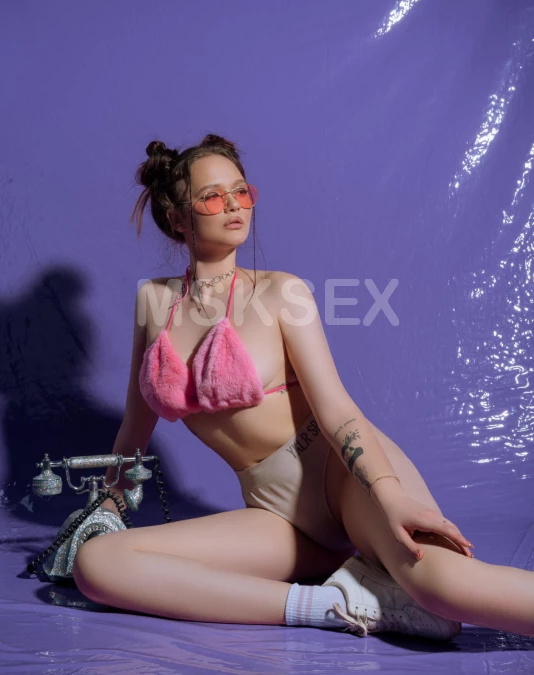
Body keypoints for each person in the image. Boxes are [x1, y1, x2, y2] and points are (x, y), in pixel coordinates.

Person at [72, 134, 534, 639]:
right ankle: (334, 604)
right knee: (98, 563)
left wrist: (389, 496)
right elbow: (136, 424)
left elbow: (337, 409)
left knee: (445, 589)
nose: (234, 205)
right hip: (275, 514)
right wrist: (109, 507)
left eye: (241, 191)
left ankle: (395, 580)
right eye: (212, 197)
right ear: (178, 218)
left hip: (343, 476)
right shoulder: (153, 301)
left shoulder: (281, 292)